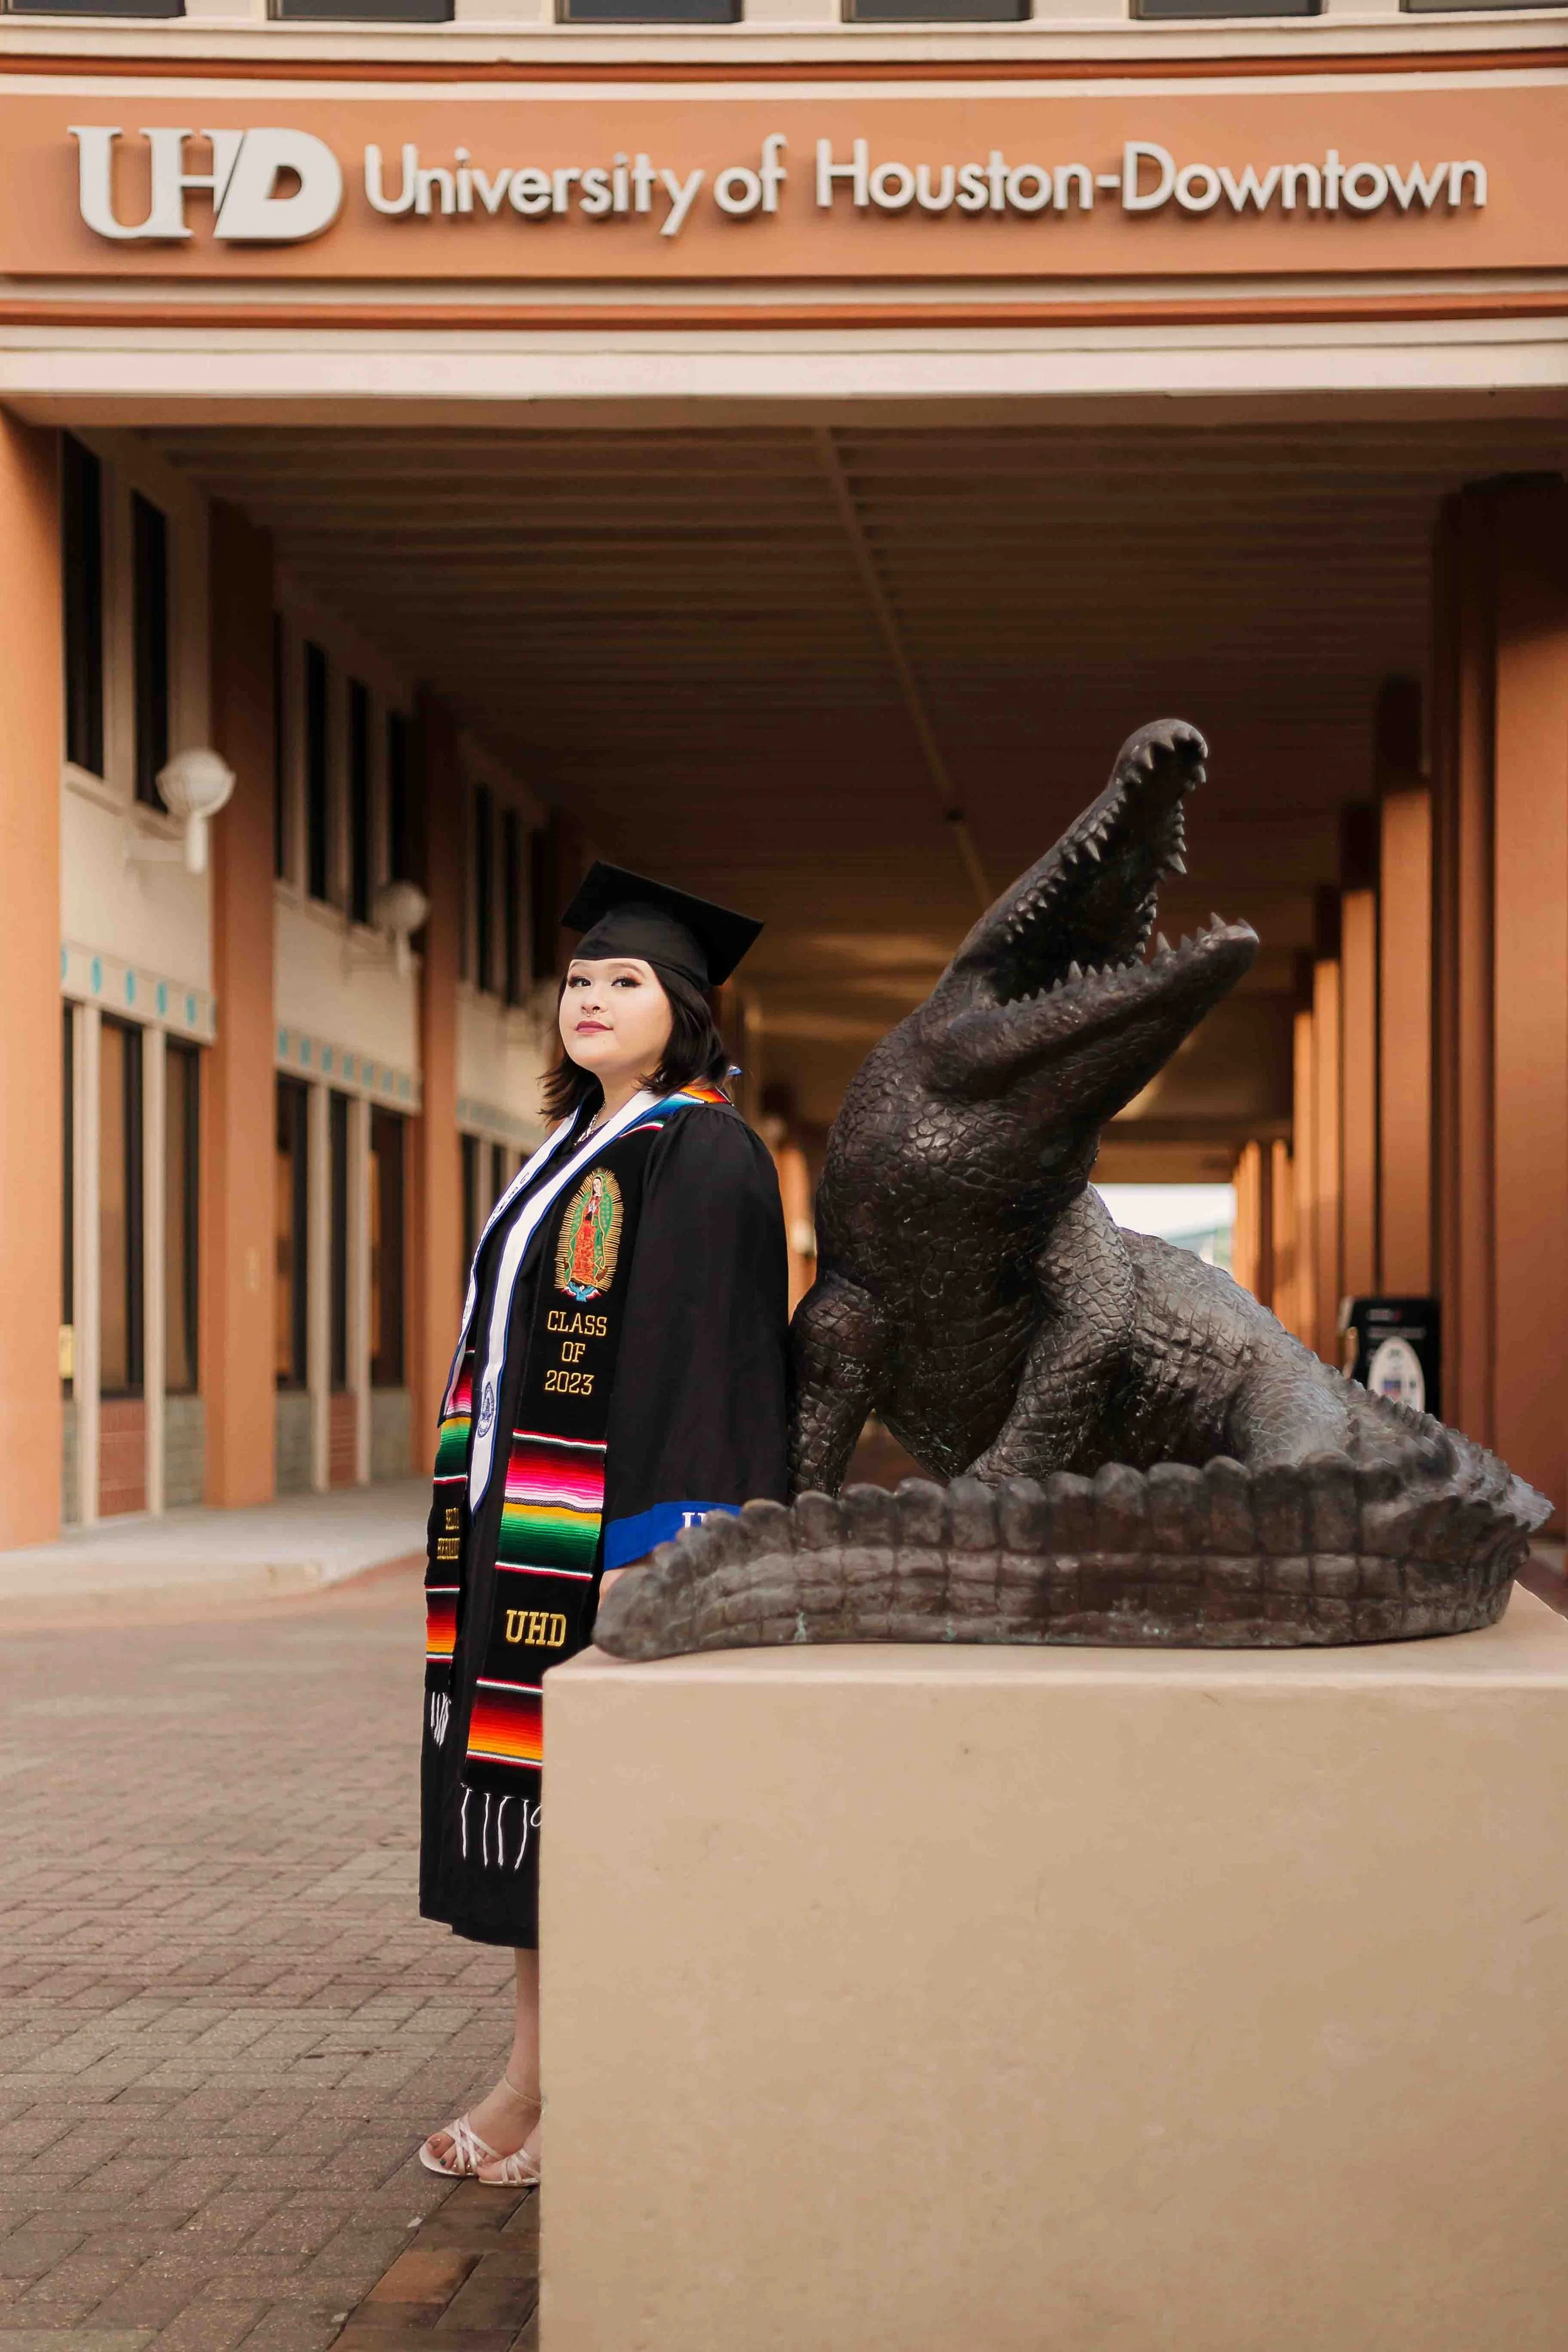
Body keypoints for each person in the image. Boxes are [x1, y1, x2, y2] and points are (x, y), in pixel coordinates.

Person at [418, 862, 789, 2187]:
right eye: (577, 980)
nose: (589, 997)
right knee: (544, 1826)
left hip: (607, 1547)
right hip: (523, 1535)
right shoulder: (572, 1150)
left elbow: (712, 1360)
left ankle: (583, 2092)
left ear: (682, 1008)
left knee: (606, 1832)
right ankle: (535, 2080)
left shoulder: (701, 1149)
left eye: (623, 981)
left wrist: (664, 1544)